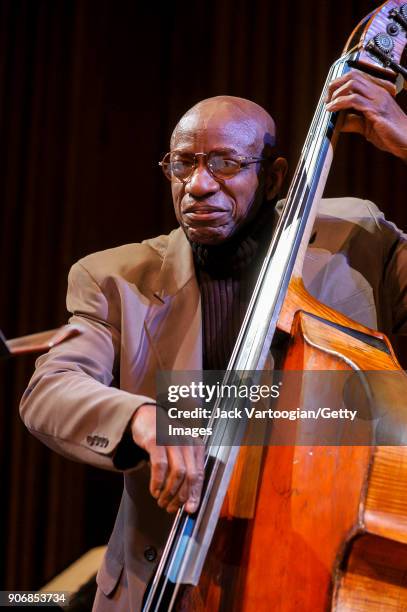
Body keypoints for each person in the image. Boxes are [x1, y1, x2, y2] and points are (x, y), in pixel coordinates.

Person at [20, 69, 407, 611]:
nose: (198, 185)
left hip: (314, 572)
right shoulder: (114, 277)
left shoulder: (360, 241)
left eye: (225, 163)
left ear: (274, 178)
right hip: (160, 584)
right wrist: (142, 417)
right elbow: (51, 389)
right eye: (183, 163)